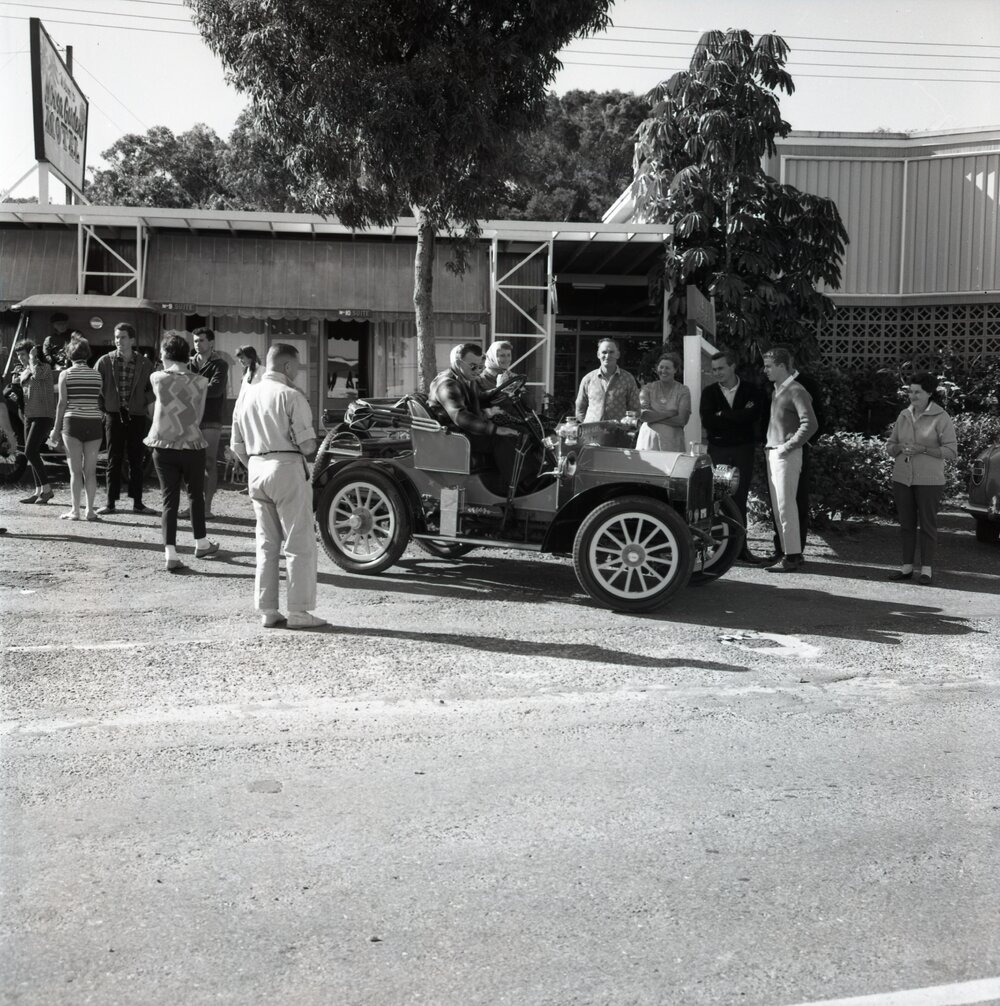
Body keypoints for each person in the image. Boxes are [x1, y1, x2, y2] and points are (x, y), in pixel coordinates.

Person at [230, 343, 327, 629]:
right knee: (299, 543)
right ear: (286, 366)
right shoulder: (291, 395)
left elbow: (237, 445)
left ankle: (268, 610)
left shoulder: (245, 396)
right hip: (286, 467)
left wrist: (256, 466)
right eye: (296, 366)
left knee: (266, 544)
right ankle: (299, 612)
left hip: (257, 468)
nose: (298, 371)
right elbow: (308, 445)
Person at [144, 333, 219, 572]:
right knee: (196, 495)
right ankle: (201, 542)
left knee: (169, 499)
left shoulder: (157, 377)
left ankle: (170, 554)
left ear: (165, 354)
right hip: (192, 444)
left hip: (163, 445)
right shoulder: (201, 381)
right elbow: (198, 415)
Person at [886, 372, 958, 586]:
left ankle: (926, 570)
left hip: (929, 481)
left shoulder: (941, 417)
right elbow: (890, 446)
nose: (913, 395)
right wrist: (898, 447)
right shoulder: (903, 415)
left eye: (917, 392)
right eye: (910, 391)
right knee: (906, 525)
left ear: (929, 393)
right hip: (902, 478)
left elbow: (951, 451)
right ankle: (907, 567)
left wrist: (924, 449)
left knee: (927, 525)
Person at [429, 343, 528, 490]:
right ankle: (517, 486)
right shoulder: (447, 384)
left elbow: (479, 398)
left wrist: (501, 390)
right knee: (504, 437)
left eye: (480, 367)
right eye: (473, 366)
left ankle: (521, 478)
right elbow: (460, 416)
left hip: (466, 431)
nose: (478, 371)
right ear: (457, 363)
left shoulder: (467, 378)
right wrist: (496, 429)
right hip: (453, 436)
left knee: (521, 429)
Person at [699, 349, 769, 550]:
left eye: (721, 368)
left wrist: (724, 415)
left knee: (740, 497)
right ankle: (721, 548)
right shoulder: (709, 393)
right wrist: (737, 415)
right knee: (720, 497)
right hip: (719, 450)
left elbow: (753, 416)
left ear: (732, 366)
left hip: (743, 449)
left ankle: (740, 548)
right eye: (714, 370)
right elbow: (709, 421)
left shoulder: (751, 390)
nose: (717, 373)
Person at [762, 346, 817, 573]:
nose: (764, 370)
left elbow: (811, 424)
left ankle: (792, 556)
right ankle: (790, 554)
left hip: (785, 453)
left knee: (786, 506)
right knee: (779, 507)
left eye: (768, 366)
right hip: (775, 451)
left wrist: (788, 446)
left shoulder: (796, 390)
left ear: (782, 366)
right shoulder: (778, 390)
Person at [96, 322, 155, 515]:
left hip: (137, 415)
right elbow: (95, 385)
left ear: (132, 339)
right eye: (116, 337)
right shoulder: (105, 361)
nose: (118, 341)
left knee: (136, 460)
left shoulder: (145, 364)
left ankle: (137, 503)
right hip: (113, 415)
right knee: (113, 459)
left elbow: (154, 389)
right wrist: (103, 408)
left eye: (122, 337)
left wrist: (141, 402)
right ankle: (110, 503)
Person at [47, 335, 104, 522]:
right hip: (94, 422)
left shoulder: (66, 374)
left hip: (72, 423)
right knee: (90, 470)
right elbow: (98, 399)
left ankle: (75, 511)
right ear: (87, 354)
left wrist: (55, 430)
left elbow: (62, 404)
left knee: (75, 471)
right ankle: (90, 511)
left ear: (69, 354)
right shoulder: (97, 375)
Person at [189, 327, 229, 517]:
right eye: (195, 341)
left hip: (211, 418)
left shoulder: (220, 364)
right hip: (189, 418)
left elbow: (216, 391)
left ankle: (206, 508)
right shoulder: (188, 364)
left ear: (211, 343)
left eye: (201, 341)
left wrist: (191, 386)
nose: (197, 344)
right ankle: (192, 505)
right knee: (189, 464)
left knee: (209, 463)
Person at [15, 342, 56, 505]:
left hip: (43, 415)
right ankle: (39, 491)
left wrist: (32, 358)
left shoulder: (43, 367)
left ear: (32, 353)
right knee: (30, 453)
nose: (20, 357)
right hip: (29, 416)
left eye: (23, 354)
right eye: (18, 355)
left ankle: (47, 490)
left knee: (30, 451)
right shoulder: (24, 371)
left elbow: (37, 375)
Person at [574, 338, 641, 423]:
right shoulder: (588, 379)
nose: (607, 356)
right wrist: (587, 427)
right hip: (592, 433)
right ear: (598, 355)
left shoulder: (628, 379)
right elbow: (580, 409)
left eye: (611, 352)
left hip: (618, 432)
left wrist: (628, 428)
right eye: (604, 352)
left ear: (618, 354)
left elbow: (635, 409)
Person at [635, 352, 691, 452]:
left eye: (667, 368)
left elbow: (682, 420)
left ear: (675, 370)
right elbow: (643, 415)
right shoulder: (648, 388)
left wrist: (653, 417)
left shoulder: (683, 390)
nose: (663, 371)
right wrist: (670, 413)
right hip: (648, 443)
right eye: (661, 367)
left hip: (673, 443)